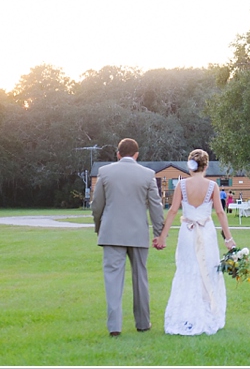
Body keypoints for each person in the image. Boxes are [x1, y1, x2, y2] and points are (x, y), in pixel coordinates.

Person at [155, 149, 237, 336]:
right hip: (206, 233)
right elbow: (220, 213)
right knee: (206, 270)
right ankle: (206, 314)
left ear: (189, 165)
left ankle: (186, 315)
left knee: (187, 270)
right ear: (206, 166)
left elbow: (173, 211)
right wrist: (229, 239)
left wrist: (162, 237)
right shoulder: (212, 186)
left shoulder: (182, 186)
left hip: (187, 233)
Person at [91, 138, 165, 337]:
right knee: (140, 278)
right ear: (136, 154)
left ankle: (114, 326)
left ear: (117, 153)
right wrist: (159, 233)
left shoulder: (105, 172)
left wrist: (99, 226)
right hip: (138, 233)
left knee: (113, 280)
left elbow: (97, 205)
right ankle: (143, 322)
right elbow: (155, 206)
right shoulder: (148, 175)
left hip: (112, 234)